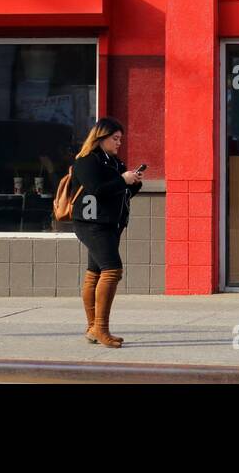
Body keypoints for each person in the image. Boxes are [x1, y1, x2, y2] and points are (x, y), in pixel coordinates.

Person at [70, 118, 143, 348]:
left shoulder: (113, 161)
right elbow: (97, 190)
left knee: (95, 272)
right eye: (115, 138)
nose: (119, 142)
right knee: (112, 270)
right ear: (101, 137)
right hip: (91, 223)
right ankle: (101, 328)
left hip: (111, 224)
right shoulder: (86, 161)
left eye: (120, 139)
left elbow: (120, 192)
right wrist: (122, 179)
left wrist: (133, 182)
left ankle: (93, 328)